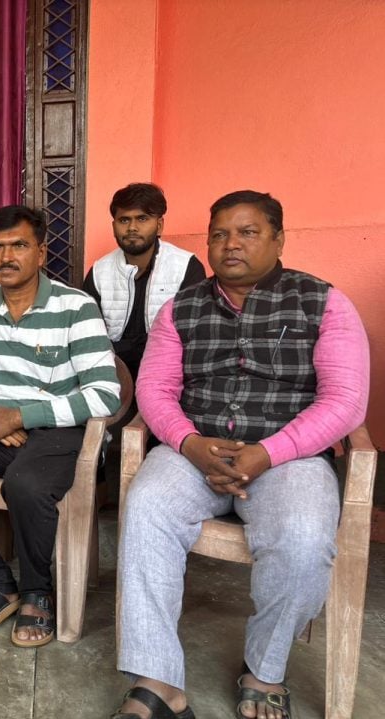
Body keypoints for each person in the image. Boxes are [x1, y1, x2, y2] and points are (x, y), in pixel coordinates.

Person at [112, 191, 369, 719]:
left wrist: (267, 453)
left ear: (279, 239)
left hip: (289, 457)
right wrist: (189, 443)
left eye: (248, 232)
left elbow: (345, 401)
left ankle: (264, 669)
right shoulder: (180, 309)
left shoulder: (323, 302)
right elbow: (155, 391)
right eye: (220, 234)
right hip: (192, 449)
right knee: (146, 509)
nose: (231, 244)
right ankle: (159, 680)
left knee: (303, 537)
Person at [0, 205, 121, 648]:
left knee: (25, 483)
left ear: (41, 253)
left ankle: (36, 590)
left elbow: (105, 395)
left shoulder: (75, 306)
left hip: (61, 430)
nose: (6, 257)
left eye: (19, 246)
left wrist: (22, 416)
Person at [82, 183, 205, 378]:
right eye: (124, 220)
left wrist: (127, 348)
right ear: (113, 226)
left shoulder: (185, 267)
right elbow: (88, 335)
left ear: (159, 225)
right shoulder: (99, 271)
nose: (132, 227)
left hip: (168, 372)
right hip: (112, 371)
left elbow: (189, 334)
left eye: (142, 218)